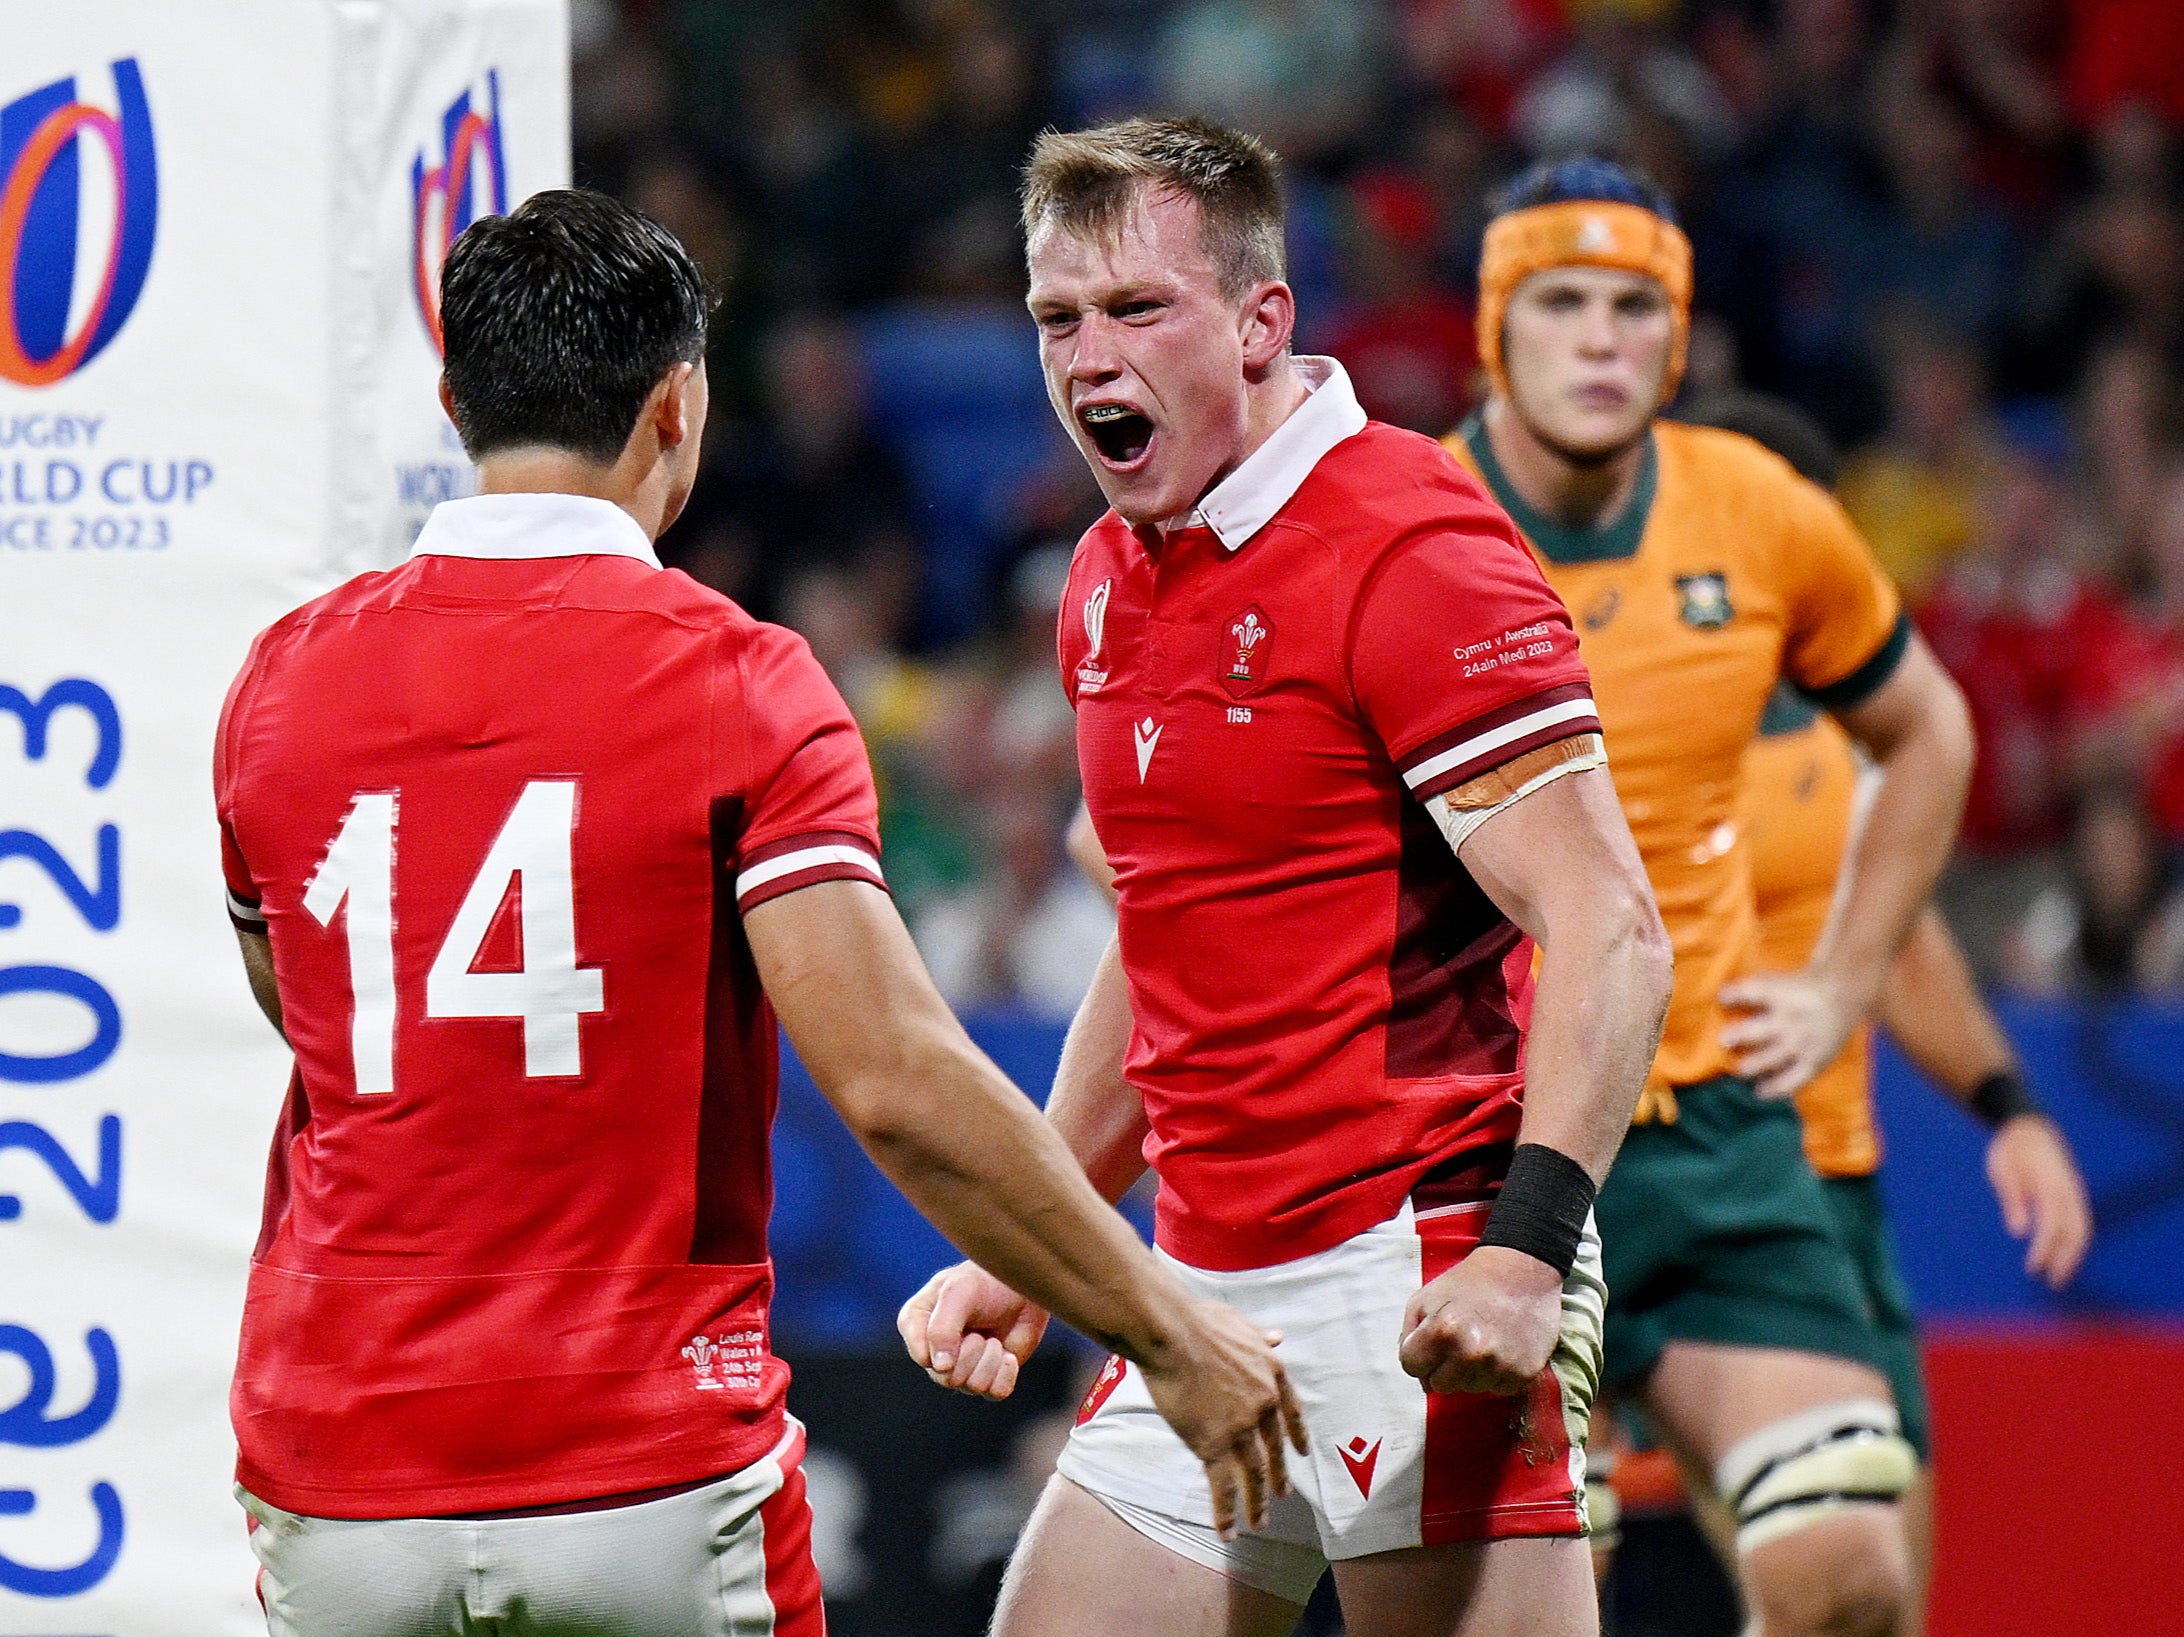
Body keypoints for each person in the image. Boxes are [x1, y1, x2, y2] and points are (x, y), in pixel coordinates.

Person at [212, 188, 1302, 1637]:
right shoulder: (737, 681)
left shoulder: (279, 679)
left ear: (455, 400)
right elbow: (897, 1081)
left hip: (339, 1471)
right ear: (681, 405)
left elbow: (306, 1005)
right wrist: (1164, 1328)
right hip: (638, 1462)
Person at [898, 118, 1674, 1637]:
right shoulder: (1108, 579)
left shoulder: (1409, 544)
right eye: (1059, 317)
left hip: (1423, 1265)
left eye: (1136, 310)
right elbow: (1166, 940)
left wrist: (1523, 1254)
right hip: (1202, 1287)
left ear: (1261, 324)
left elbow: (1611, 925)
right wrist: (1037, 1243)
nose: (1086, 358)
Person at [1442, 158, 1975, 1637]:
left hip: (1722, 1134)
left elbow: (1929, 727)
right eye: (1561, 302)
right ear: (1497, 327)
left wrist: (1845, 978)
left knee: (1848, 1576)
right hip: (1481, 1139)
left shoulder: (1759, 509)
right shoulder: (1397, 517)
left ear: (1678, 339)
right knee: (1534, 1598)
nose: (1602, 338)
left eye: (1636, 307)